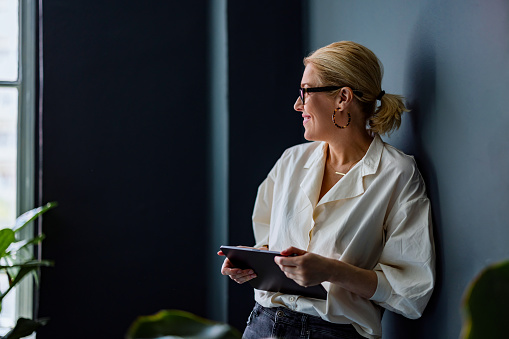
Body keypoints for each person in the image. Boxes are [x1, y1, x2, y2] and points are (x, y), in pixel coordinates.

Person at [219, 41, 435, 339]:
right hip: (261, 325)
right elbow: (269, 245)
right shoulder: (291, 161)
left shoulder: (396, 174)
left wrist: (332, 271)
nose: (298, 105)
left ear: (342, 98)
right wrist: (252, 262)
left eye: (305, 92)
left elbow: (411, 291)